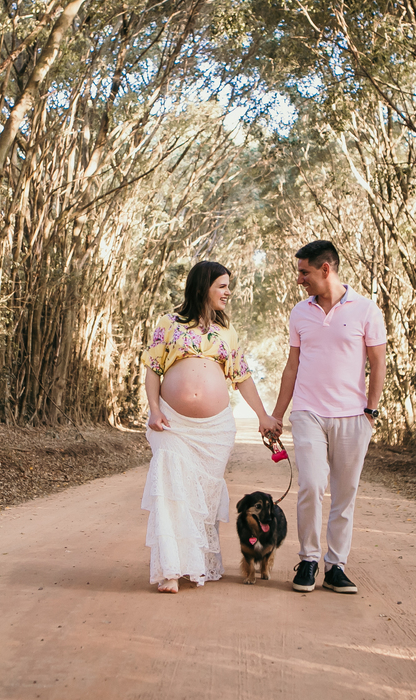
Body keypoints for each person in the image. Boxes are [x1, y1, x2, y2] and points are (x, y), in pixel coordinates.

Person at [142, 261, 281, 593]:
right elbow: (152, 368)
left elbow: (242, 377)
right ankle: (171, 571)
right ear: (203, 286)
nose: (228, 292)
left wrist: (263, 416)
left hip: (215, 430)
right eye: (222, 285)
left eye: (228, 286)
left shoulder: (227, 333)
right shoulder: (169, 323)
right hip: (173, 424)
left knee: (202, 499)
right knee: (173, 492)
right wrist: (154, 409)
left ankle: (195, 564)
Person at [270, 240, 386, 594]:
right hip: (308, 413)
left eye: (304, 272)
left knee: (344, 493)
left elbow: (378, 361)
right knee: (311, 484)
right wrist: (277, 416)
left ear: (326, 269)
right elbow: (292, 366)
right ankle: (308, 559)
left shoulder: (366, 310)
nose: (299, 279)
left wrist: (371, 410)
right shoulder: (299, 312)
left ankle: (336, 566)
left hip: (353, 417)